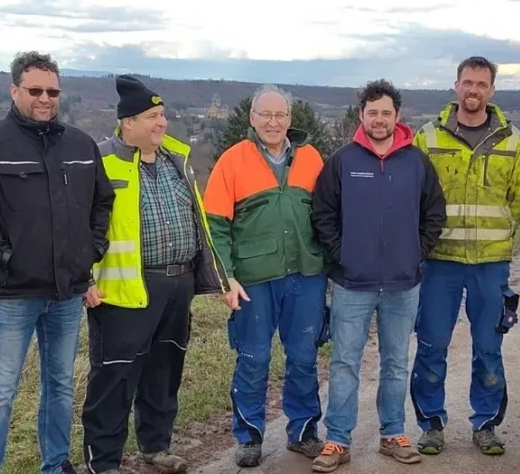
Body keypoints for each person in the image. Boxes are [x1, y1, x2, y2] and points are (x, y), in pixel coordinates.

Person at [0, 51, 114, 474]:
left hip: (67, 292)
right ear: (15, 90)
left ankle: (55, 465)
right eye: (35, 90)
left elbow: (102, 201)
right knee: (0, 393)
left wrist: (91, 249)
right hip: (13, 293)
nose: (45, 98)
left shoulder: (79, 144)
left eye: (52, 91)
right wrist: (2, 253)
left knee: (59, 387)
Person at [81, 75, 230, 474]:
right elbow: (79, 225)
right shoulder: (101, 161)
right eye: (152, 116)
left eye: (162, 115)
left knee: (165, 371)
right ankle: (104, 461)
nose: (162, 123)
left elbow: (198, 221)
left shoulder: (176, 160)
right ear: (127, 121)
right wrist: (84, 279)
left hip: (177, 285)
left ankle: (156, 447)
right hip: (123, 289)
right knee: (114, 378)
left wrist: (215, 277)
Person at [310, 79, 446, 473]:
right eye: (373, 112)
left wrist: (416, 253)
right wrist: (344, 256)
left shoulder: (417, 162)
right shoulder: (342, 161)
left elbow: (434, 213)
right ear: (361, 115)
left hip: (404, 284)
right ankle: (337, 440)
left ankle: (393, 434)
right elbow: (323, 214)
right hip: (353, 283)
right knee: (344, 363)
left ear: (397, 116)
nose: (380, 119)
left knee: (396, 362)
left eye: (387, 112)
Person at [410, 56, 520, 456]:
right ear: (456, 85)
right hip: (440, 260)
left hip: (489, 263)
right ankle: (431, 424)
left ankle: (486, 425)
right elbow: (414, 195)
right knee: (431, 344)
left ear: (492, 90)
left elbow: (518, 199)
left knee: (488, 348)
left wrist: (494, 237)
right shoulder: (428, 137)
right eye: (467, 83)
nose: (473, 90)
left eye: (481, 84)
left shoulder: (512, 141)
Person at [203, 84, 329, 468]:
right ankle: (249, 436)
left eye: (281, 115)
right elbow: (215, 225)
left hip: (306, 275)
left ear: (290, 120)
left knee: (305, 356)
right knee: (253, 357)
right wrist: (225, 279)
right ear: (252, 119)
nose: (273, 122)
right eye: (266, 115)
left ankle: (304, 430)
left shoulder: (310, 158)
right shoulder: (233, 160)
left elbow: (328, 217)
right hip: (253, 279)